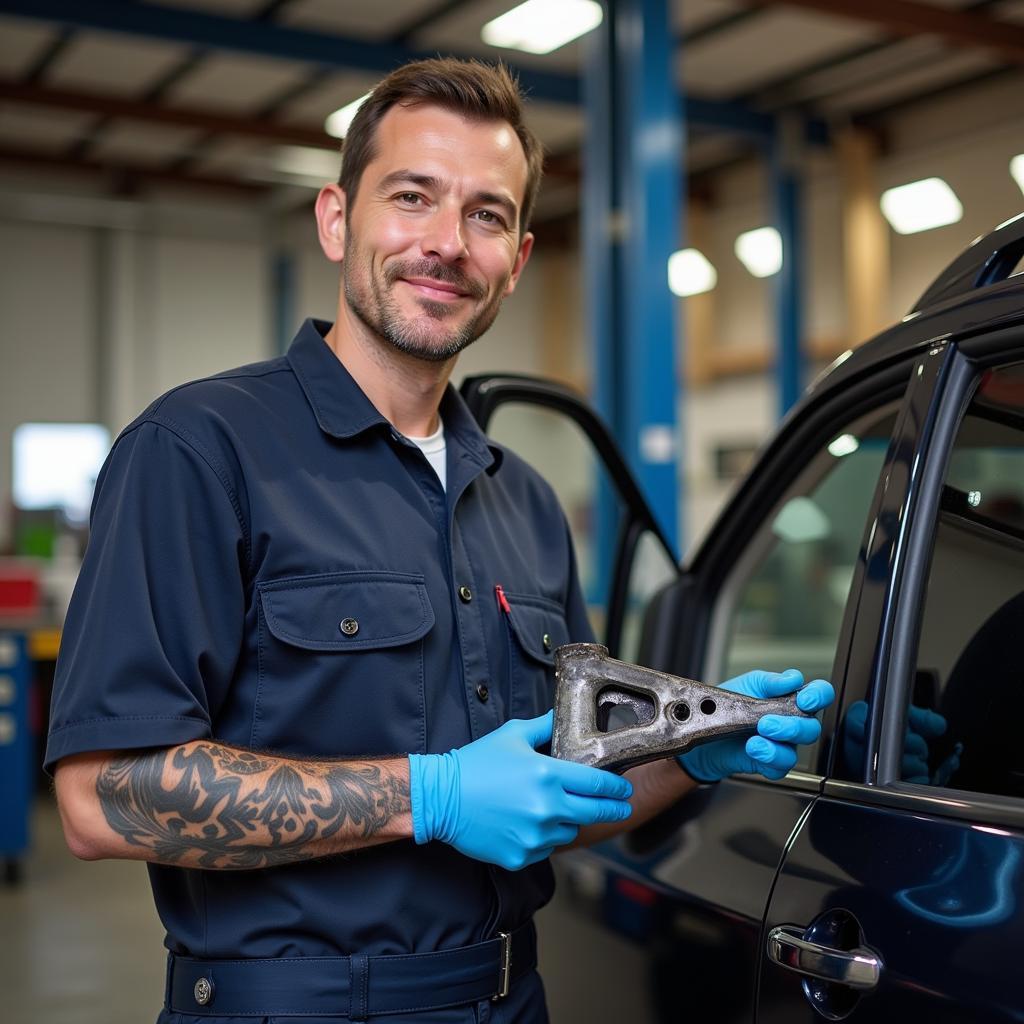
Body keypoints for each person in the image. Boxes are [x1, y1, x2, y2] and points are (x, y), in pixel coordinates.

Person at [46, 58, 833, 1023]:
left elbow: (552, 798)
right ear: (338, 219)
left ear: (519, 258)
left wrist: (693, 752)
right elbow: (103, 796)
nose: (447, 244)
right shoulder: (200, 451)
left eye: (487, 215)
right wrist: (437, 794)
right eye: (412, 197)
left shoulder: (526, 502)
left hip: (510, 998)